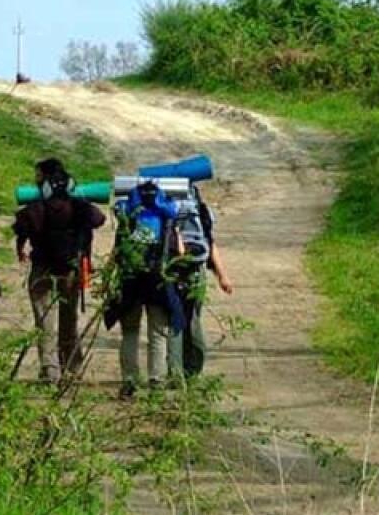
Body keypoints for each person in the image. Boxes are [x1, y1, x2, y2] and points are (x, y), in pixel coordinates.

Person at [13, 158, 106, 384]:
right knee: (69, 319)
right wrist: (80, 201)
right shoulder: (78, 205)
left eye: (37, 175)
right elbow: (99, 219)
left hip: (42, 267)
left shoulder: (37, 206)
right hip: (70, 269)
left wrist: (20, 248)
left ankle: (49, 369)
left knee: (44, 320)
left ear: (44, 180)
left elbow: (21, 226)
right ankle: (72, 366)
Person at [108, 179, 185, 398]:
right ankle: (156, 382)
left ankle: (130, 380)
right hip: (158, 280)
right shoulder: (166, 213)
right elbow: (179, 252)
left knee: (130, 332)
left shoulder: (128, 212)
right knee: (158, 334)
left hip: (130, 279)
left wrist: (108, 279)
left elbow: (118, 250)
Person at [171, 185, 233, 378]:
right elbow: (210, 243)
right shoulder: (200, 211)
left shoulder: (165, 209)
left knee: (173, 320)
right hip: (196, 270)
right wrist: (222, 276)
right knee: (193, 319)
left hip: (170, 269)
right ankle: (193, 370)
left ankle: (175, 372)